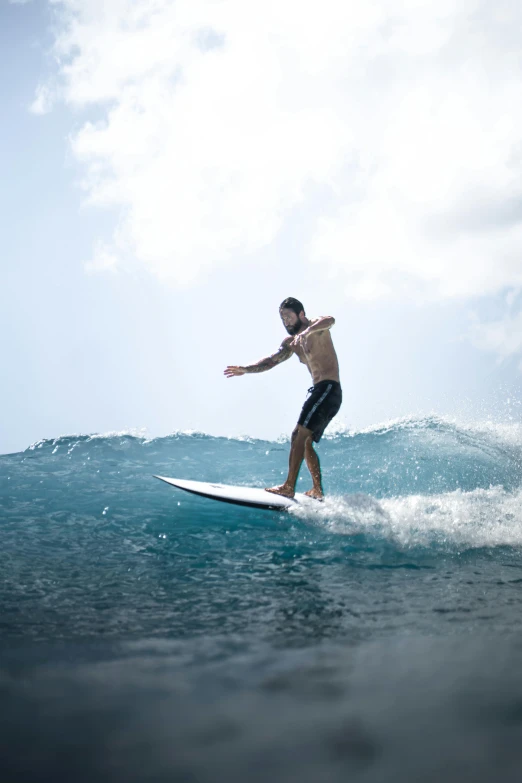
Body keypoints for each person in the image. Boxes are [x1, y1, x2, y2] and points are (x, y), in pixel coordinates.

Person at [224, 297, 342, 500]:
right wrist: (246, 369)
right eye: (282, 318)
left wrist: (307, 331)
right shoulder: (291, 343)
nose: (286, 321)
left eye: (289, 316)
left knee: (297, 435)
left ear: (301, 314)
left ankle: (288, 486)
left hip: (328, 388)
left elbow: (331, 319)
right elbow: (271, 361)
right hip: (321, 392)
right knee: (304, 442)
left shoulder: (316, 326)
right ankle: (317, 490)